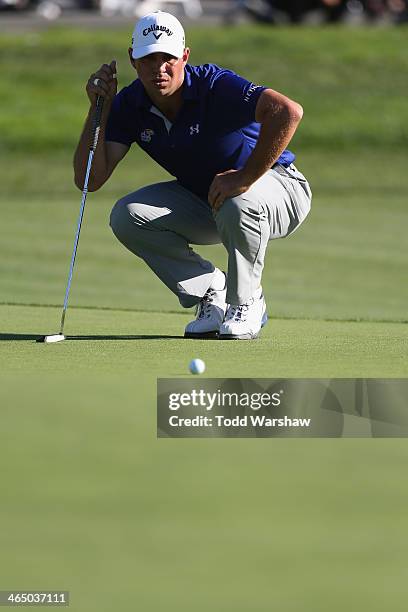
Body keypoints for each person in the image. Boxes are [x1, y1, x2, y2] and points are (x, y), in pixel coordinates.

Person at [73, 10, 312, 340]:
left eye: (167, 58)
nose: (159, 68)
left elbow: (288, 111)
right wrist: (98, 108)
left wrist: (243, 177)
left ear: (184, 56)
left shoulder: (214, 86)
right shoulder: (129, 104)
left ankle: (246, 301)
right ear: (133, 60)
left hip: (280, 187)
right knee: (129, 216)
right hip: (211, 199)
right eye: (148, 58)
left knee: (236, 197)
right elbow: (90, 179)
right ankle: (210, 289)